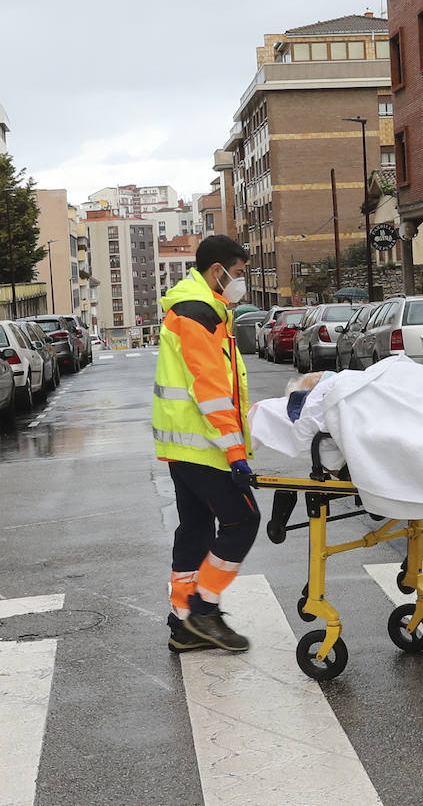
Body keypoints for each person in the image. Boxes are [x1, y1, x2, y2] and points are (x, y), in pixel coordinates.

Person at [152, 235, 257, 653]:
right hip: (204, 446)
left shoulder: (195, 306)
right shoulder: (199, 312)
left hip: (185, 444)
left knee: (195, 529)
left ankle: (183, 625)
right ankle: (203, 610)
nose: (241, 281)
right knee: (242, 521)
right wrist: (235, 453)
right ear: (219, 270)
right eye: (239, 273)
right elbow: (210, 389)